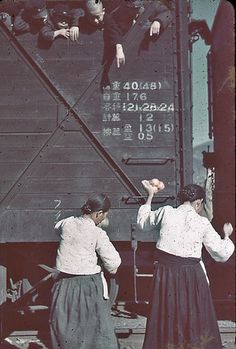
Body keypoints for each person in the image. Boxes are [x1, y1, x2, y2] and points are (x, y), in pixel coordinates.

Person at [137, 180, 234, 349]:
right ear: (199, 203)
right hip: (192, 276)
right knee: (194, 319)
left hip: (165, 274)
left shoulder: (166, 212)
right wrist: (227, 236)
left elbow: (143, 222)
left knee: (165, 316)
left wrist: (150, 195)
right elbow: (221, 254)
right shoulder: (202, 223)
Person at [50, 193, 121, 349]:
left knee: (66, 332)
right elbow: (114, 264)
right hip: (88, 288)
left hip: (63, 286)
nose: (103, 220)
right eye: (104, 216)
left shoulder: (66, 223)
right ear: (98, 213)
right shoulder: (98, 233)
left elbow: (57, 227)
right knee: (95, 333)